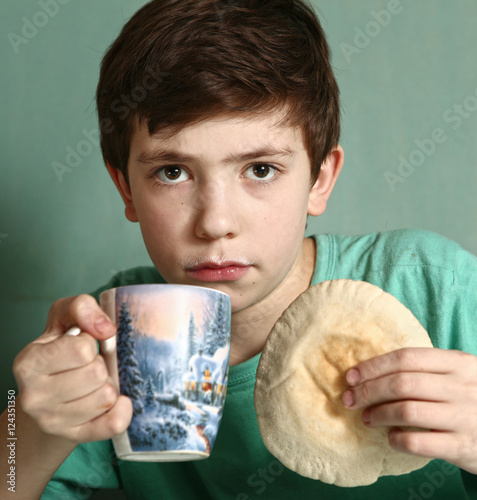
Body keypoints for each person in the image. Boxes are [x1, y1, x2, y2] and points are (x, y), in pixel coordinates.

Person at [2, 0, 477, 498]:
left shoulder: (433, 288)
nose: (216, 223)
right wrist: (29, 432)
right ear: (126, 190)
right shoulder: (107, 335)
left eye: (260, 169)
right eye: (172, 172)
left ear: (320, 178)